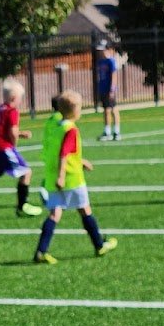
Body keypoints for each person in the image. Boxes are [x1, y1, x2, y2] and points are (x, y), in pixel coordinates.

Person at [32, 89, 117, 264]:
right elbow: (63, 153)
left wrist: (80, 161)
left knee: (55, 213)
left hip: (52, 176)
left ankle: (41, 251)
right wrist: (62, 176)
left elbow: (59, 150)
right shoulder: (70, 129)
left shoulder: (55, 125)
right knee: (85, 209)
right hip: (70, 178)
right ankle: (99, 245)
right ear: (75, 110)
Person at [0, 78, 42, 224]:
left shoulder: (0, 109)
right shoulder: (12, 111)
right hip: (3, 148)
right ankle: (22, 206)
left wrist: (21, 133)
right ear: (14, 98)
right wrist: (14, 145)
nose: (21, 101)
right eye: (20, 98)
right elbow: (12, 132)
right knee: (26, 172)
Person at [95, 40, 121, 141]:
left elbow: (114, 75)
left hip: (109, 89)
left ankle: (116, 132)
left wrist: (112, 89)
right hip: (103, 89)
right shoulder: (100, 62)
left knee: (112, 109)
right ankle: (108, 131)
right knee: (107, 110)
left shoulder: (111, 61)